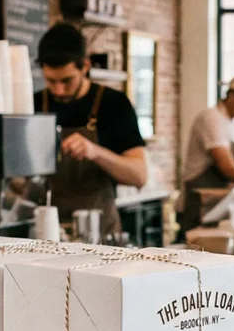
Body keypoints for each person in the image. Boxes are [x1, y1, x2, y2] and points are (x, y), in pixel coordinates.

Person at [35, 23, 149, 236]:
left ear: (85, 66)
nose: (59, 90)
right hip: (46, 234)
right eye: (51, 81)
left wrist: (95, 152)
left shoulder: (114, 104)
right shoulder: (34, 105)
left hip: (100, 234)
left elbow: (139, 176)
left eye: (67, 81)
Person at [179, 74, 234, 233]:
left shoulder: (230, 125)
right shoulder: (212, 118)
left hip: (215, 202)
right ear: (232, 96)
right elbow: (227, 168)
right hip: (198, 201)